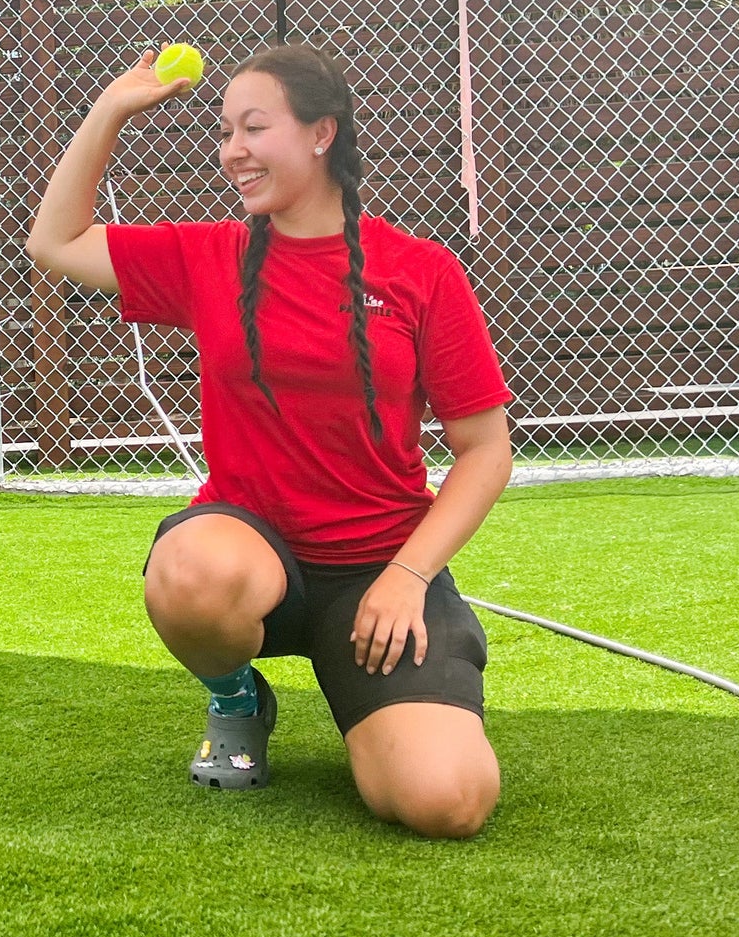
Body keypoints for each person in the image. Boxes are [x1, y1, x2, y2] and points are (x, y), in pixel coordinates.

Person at [25, 44, 513, 838]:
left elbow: (486, 450)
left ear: (322, 134)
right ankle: (237, 700)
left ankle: (400, 684)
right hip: (253, 557)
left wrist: (407, 577)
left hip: (380, 578)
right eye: (224, 133)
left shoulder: (421, 271)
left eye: (254, 128)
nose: (232, 152)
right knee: (192, 572)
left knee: (446, 803)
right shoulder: (210, 254)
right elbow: (55, 242)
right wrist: (112, 107)